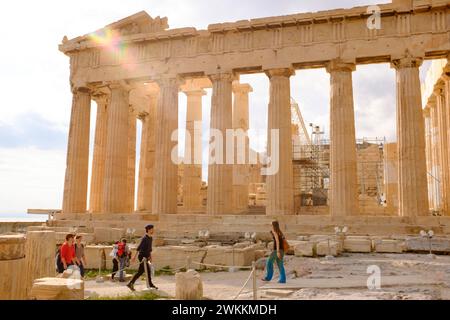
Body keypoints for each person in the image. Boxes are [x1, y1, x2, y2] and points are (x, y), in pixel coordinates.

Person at [127, 225, 158, 291]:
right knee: (147, 271)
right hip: (142, 256)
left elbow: (149, 249)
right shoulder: (144, 238)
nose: (153, 230)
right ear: (149, 230)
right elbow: (139, 248)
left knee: (140, 271)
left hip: (146, 256)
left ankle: (130, 283)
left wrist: (150, 257)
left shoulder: (150, 238)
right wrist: (134, 257)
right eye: (152, 229)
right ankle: (150, 284)